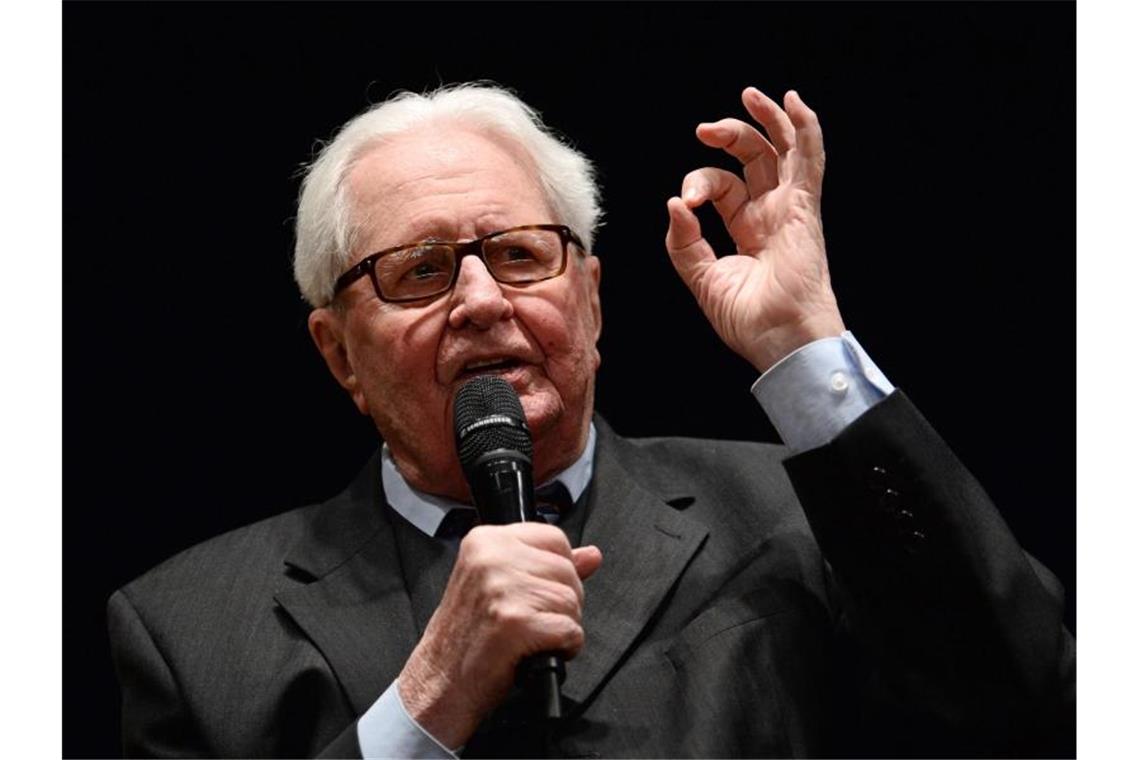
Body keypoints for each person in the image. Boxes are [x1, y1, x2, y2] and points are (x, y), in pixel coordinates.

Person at [108, 83, 1075, 758]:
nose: (483, 301)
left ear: (593, 302)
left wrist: (804, 344)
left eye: (523, 254)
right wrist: (427, 702)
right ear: (337, 352)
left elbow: (1029, 698)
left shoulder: (793, 513)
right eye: (420, 272)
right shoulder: (188, 629)